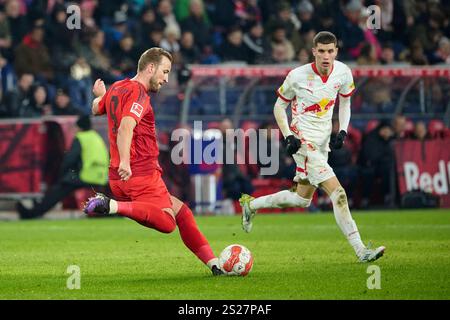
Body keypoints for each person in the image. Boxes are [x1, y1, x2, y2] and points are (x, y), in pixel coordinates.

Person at [239, 31, 385, 263]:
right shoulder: (297, 76)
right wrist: (288, 136)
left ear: (336, 51)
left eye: (330, 51)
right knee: (338, 194)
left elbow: (345, 103)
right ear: (314, 51)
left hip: (323, 141)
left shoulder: (343, 72)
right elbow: (279, 107)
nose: (326, 56)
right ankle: (361, 250)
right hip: (303, 141)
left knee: (302, 199)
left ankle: (251, 204)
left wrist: (343, 130)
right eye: (322, 51)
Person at [83, 47, 224, 276]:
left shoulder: (118, 87)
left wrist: (100, 94)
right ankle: (111, 206)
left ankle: (215, 265)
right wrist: (126, 162)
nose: (166, 79)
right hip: (139, 174)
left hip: (119, 177)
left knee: (182, 212)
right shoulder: (139, 94)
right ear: (150, 68)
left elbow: (96, 108)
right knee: (168, 223)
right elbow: (126, 127)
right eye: (165, 72)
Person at [17, 115, 109, 219]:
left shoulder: (81, 137)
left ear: (79, 127)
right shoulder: (96, 137)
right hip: (101, 176)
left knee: (59, 188)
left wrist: (61, 174)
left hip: (87, 176)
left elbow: (70, 159)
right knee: (65, 184)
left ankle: (34, 212)